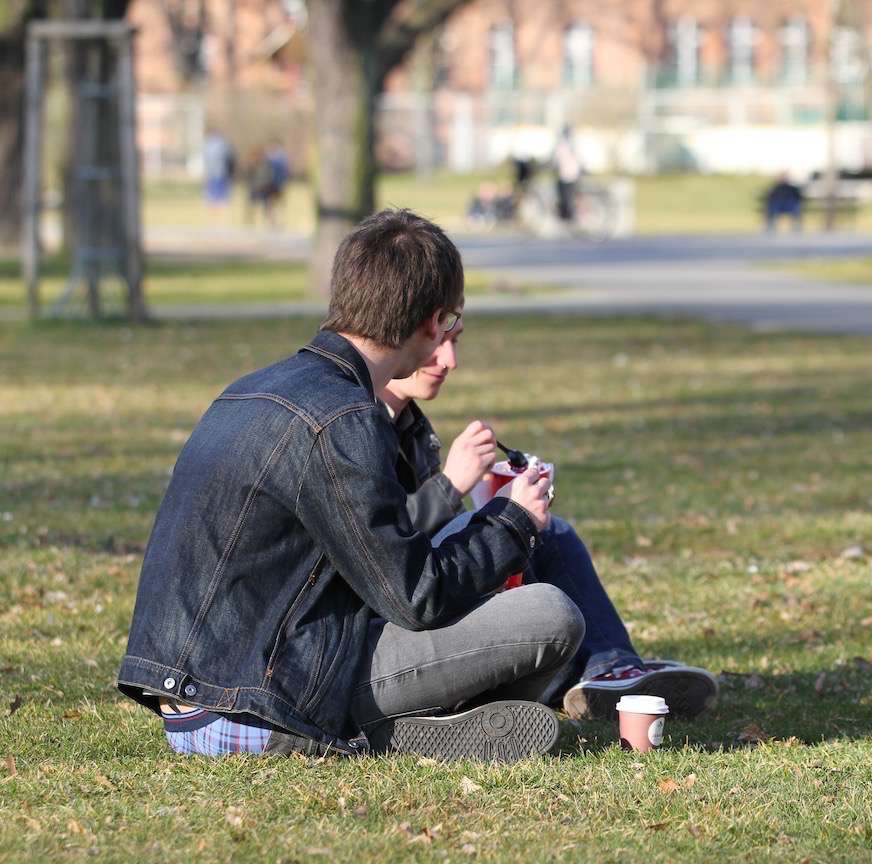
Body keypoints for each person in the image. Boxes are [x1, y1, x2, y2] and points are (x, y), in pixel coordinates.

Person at [117, 209, 585, 761]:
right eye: (451, 322)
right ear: (433, 321)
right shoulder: (343, 418)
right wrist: (513, 520)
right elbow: (417, 597)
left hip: (197, 692)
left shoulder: (253, 388)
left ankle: (432, 726)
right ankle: (383, 736)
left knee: (472, 542)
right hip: (262, 700)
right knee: (550, 615)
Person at [379, 322, 719, 721]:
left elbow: (429, 538)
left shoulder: (412, 425)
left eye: (455, 342)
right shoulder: (357, 423)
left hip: (424, 598)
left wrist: (495, 501)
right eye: (439, 341)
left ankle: (609, 669)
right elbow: (381, 547)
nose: (450, 360)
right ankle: (584, 678)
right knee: (532, 553)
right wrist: (452, 486)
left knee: (547, 532)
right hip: (387, 630)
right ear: (399, 333)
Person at [553, 126, 582, 224]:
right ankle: (568, 214)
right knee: (569, 195)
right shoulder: (572, 144)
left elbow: (556, 160)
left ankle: (569, 215)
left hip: (567, 175)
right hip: (574, 174)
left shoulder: (562, 145)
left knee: (565, 196)